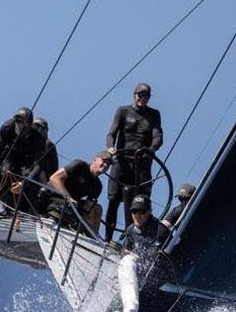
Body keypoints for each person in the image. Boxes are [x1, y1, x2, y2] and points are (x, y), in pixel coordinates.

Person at [104, 82, 163, 242]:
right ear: (134, 95)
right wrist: (110, 148)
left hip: (141, 165)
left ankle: (129, 243)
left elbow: (158, 136)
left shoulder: (154, 114)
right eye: (140, 95)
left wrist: (150, 150)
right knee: (113, 201)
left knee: (137, 205)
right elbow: (111, 133)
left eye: (146, 96)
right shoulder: (123, 111)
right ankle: (108, 241)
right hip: (121, 163)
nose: (142, 98)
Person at [0, 107, 46, 215]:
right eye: (17, 121)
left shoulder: (38, 137)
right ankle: (0, 205)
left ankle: (27, 210)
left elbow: (39, 164)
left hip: (28, 158)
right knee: (6, 171)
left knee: (30, 178)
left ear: (29, 124)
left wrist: (24, 183)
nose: (18, 124)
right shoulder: (7, 127)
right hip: (11, 155)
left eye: (22, 122)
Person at [47, 151, 113, 234]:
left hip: (72, 204)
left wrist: (84, 224)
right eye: (103, 161)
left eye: (108, 164)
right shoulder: (79, 165)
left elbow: (87, 207)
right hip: (54, 195)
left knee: (97, 209)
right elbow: (54, 178)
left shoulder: (97, 186)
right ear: (95, 160)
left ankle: (92, 238)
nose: (105, 165)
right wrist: (68, 197)